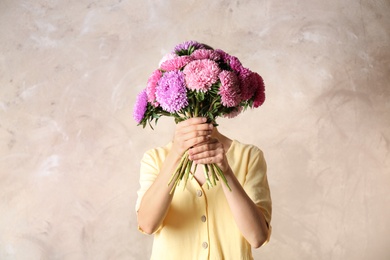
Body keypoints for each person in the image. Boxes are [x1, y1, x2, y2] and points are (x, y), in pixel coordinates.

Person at [135, 117, 272, 260]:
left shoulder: (249, 156)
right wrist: (176, 155)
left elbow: (257, 237)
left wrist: (226, 173)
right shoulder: (155, 158)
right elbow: (147, 225)